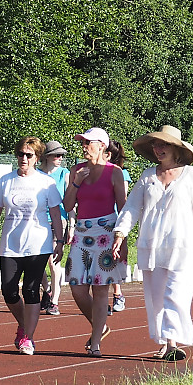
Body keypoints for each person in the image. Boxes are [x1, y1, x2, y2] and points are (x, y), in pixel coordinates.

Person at [112, 125, 193, 361]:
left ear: (175, 149)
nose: (158, 149)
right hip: (152, 246)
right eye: (155, 145)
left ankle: (173, 343)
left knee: (177, 294)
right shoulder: (148, 176)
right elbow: (131, 207)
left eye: (163, 145)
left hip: (184, 245)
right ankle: (166, 342)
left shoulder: (191, 175)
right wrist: (120, 232)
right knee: (156, 297)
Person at [0, 137, 64, 355]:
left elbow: (55, 212)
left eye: (29, 155)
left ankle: (28, 338)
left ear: (37, 158)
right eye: (20, 154)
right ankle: (25, 325)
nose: (23, 159)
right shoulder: (6, 181)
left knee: (30, 289)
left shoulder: (46, 183)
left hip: (39, 243)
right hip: (11, 244)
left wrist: (61, 241)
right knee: (8, 290)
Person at [63, 127, 127, 357]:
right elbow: (68, 205)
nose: (83, 147)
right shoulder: (76, 170)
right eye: (82, 142)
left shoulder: (115, 173)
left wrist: (123, 240)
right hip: (82, 232)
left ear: (102, 146)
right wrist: (76, 183)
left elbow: (123, 209)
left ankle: (96, 341)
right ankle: (101, 326)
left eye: (88, 143)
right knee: (77, 289)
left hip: (107, 233)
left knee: (101, 290)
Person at [39, 140, 70, 316]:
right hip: (39, 220)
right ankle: (47, 289)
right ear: (47, 157)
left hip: (59, 220)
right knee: (38, 260)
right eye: (56, 155)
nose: (59, 158)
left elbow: (69, 202)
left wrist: (72, 224)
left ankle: (55, 301)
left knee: (53, 261)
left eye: (61, 155)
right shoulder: (37, 173)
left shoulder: (64, 174)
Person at [106, 140, 132, 314]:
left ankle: (117, 293)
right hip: (101, 220)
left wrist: (123, 225)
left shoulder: (121, 174)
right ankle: (103, 298)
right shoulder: (96, 172)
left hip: (116, 221)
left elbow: (123, 201)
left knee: (115, 257)